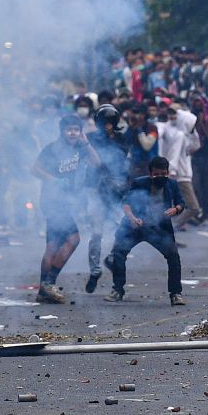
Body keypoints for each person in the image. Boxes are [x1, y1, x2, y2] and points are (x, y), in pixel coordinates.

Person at [31, 115, 101, 303]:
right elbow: (35, 169)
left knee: (53, 245)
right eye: (69, 129)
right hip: (53, 202)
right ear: (62, 131)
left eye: (76, 129)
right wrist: (54, 181)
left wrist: (86, 143)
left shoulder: (80, 147)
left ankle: (43, 289)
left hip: (66, 203)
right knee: (73, 239)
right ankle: (48, 284)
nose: (72, 133)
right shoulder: (52, 149)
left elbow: (98, 163)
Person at [103, 156, 186, 305]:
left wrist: (175, 209)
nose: (160, 177)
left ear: (167, 172)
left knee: (173, 256)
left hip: (160, 227)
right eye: (157, 174)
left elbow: (181, 202)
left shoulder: (172, 184)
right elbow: (126, 203)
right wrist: (132, 218)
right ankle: (117, 290)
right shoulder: (139, 183)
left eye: (163, 174)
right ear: (150, 174)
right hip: (136, 226)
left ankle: (175, 293)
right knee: (119, 253)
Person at [84, 104, 129, 293]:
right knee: (96, 232)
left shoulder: (121, 139)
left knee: (122, 232)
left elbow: (119, 160)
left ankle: (112, 260)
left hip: (116, 190)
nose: (107, 126)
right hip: (95, 190)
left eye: (110, 123)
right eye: (103, 122)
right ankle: (95, 270)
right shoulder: (91, 138)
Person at [157, 104, 202, 227]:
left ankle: (169, 233)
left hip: (181, 174)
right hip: (178, 175)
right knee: (193, 207)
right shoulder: (173, 132)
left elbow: (195, 147)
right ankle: (172, 228)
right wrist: (171, 170)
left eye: (174, 113)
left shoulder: (185, 134)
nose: (171, 116)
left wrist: (192, 131)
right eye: (170, 113)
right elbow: (174, 154)